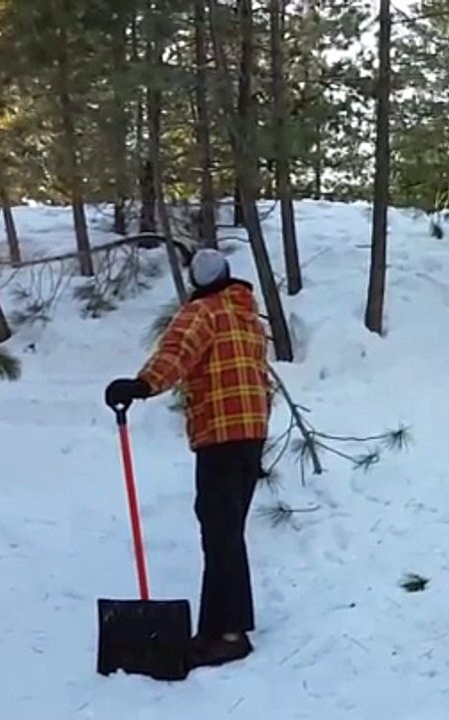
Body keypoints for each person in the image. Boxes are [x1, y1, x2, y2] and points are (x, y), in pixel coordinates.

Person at [104, 247, 271, 669]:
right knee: (225, 531)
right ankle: (216, 628)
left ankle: (230, 634)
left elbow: (176, 353)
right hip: (251, 433)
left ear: (197, 281)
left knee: (220, 532)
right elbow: (259, 378)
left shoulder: (202, 312)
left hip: (221, 433)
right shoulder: (248, 317)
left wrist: (140, 386)